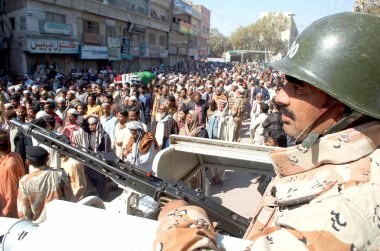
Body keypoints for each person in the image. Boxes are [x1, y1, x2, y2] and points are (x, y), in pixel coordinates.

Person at [154, 13, 380, 250]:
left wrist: (180, 217)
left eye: (298, 88)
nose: (280, 97)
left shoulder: (345, 206)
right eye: (285, 84)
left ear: (345, 107)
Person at [17, 146, 74, 223]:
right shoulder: (60, 174)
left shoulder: (24, 182)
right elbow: (71, 200)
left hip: (39, 227)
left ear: (28, 162)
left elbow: (24, 213)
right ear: (47, 159)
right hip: (61, 221)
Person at [0, 130, 25, 218]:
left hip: (10, 211)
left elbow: (12, 192)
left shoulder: (8, 165)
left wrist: (5, 211)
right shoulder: (15, 155)